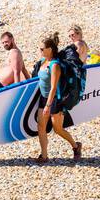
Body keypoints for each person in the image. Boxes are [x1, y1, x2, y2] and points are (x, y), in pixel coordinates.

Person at [34, 32, 82, 163]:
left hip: (54, 100)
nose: (40, 50)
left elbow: (54, 87)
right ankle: (44, 156)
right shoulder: (44, 61)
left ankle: (76, 146)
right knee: (41, 127)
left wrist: (48, 106)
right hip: (43, 98)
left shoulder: (54, 65)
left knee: (58, 129)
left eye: (42, 49)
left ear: (50, 49)